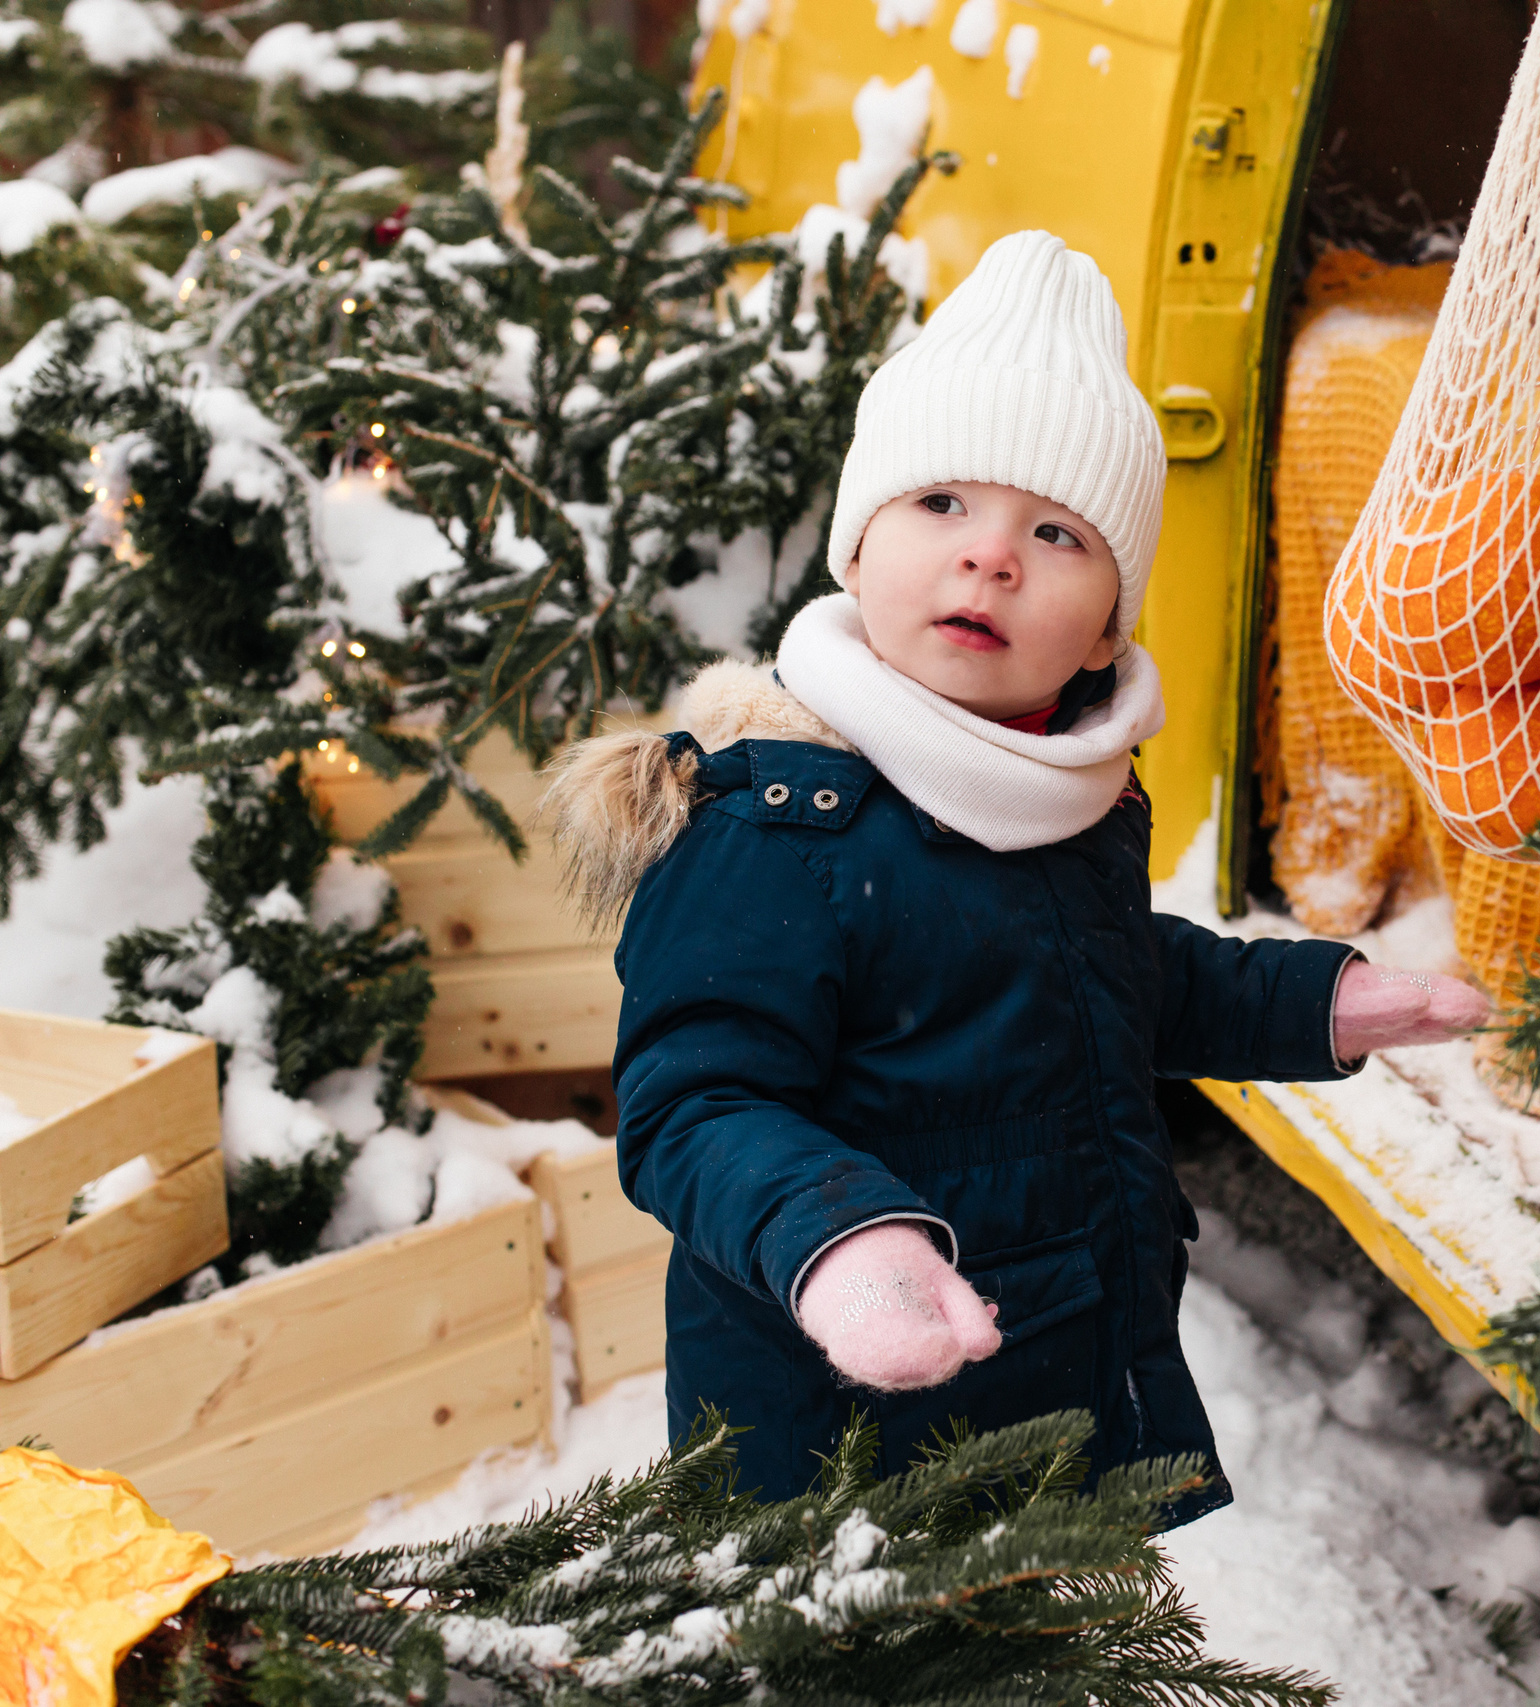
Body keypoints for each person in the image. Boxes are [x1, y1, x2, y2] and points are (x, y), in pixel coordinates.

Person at [546, 231, 1487, 1519]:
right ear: (857, 551)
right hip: (845, 1450)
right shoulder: (772, 828)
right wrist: (834, 1240)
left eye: (1055, 531)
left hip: (1059, 1381)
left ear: (1106, 623)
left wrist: (1310, 1001)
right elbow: (691, 1108)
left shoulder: (1070, 797)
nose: (991, 555)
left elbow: (1103, 981)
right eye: (942, 505)